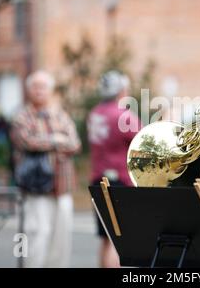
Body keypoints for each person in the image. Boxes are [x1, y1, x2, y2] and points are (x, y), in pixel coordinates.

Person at [11, 70, 81, 268]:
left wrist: (49, 142)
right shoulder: (22, 117)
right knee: (36, 238)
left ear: (50, 90)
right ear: (28, 90)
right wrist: (57, 140)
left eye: (43, 86)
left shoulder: (60, 115)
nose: (39, 90)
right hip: (35, 190)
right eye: (35, 86)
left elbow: (75, 144)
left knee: (62, 241)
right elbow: (26, 142)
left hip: (62, 187)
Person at [87, 70, 142, 268]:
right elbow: (143, 141)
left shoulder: (95, 113)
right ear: (121, 90)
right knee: (117, 239)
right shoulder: (123, 115)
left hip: (98, 178)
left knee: (105, 237)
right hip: (119, 180)